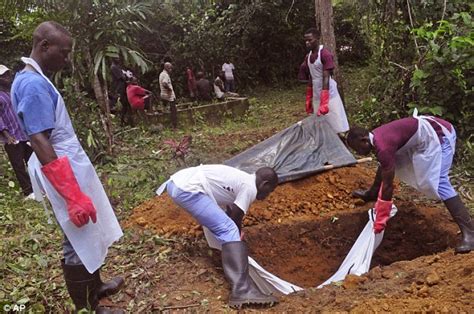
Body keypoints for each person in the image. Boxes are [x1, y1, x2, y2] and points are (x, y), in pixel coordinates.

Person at [11, 21, 124, 313]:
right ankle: (87, 306)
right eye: (64, 52)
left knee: (87, 229)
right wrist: (72, 194)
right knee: (77, 235)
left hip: (67, 164)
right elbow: (38, 138)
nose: (67, 58)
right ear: (44, 46)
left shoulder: (33, 78)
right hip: (59, 168)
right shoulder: (33, 84)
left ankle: (95, 286)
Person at [346, 113, 474, 253]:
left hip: (439, 134)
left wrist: (383, 213)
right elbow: (385, 164)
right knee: (387, 163)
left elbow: (388, 184)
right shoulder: (378, 141)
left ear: (364, 140)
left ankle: (470, 233)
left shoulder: (382, 145)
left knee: (439, 182)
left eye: (356, 148)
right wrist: (375, 193)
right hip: (424, 136)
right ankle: (372, 193)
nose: (357, 152)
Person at [156, 165, 279, 308]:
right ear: (265, 184)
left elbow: (231, 212)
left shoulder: (243, 179)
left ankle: (239, 282)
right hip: (188, 189)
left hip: (178, 184)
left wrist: (237, 235)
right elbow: (235, 216)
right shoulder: (250, 187)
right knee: (228, 229)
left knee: (228, 228)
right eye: (270, 191)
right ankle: (242, 291)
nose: (267, 196)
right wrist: (237, 237)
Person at [299, 28, 349, 134]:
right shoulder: (308, 57)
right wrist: (309, 98)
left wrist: (325, 102)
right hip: (317, 95)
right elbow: (311, 77)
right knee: (321, 126)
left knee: (336, 124)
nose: (307, 43)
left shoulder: (325, 54)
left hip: (329, 95)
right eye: (306, 40)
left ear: (317, 39)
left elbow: (326, 77)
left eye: (310, 40)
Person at [0, 65, 34, 199]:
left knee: (32, 161)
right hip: (11, 136)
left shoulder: (12, 91)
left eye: (8, 75)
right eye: (3, 76)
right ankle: (28, 192)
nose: (7, 78)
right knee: (18, 165)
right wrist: (6, 135)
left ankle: (38, 187)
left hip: (23, 133)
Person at [110, 58, 132, 125]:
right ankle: (121, 122)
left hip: (121, 88)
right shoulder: (114, 67)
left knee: (125, 105)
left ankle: (124, 121)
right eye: (116, 58)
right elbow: (122, 77)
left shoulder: (117, 67)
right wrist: (126, 75)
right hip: (119, 89)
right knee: (123, 105)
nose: (118, 59)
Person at [159, 62, 177, 128]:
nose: (171, 70)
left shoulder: (161, 74)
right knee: (173, 111)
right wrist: (169, 89)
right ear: (166, 68)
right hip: (169, 96)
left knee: (165, 110)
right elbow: (164, 83)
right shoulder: (165, 75)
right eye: (170, 68)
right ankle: (174, 126)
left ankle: (167, 125)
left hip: (163, 95)